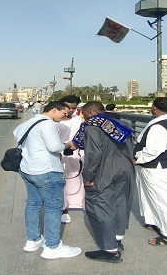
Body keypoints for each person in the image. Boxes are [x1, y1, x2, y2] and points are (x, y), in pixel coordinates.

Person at [14, 101, 82, 260]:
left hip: (27, 168)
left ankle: (33, 240)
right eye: (64, 113)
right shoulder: (47, 124)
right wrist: (68, 144)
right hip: (47, 170)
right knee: (54, 206)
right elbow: (54, 147)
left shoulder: (28, 122)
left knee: (33, 203)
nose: (66, 116)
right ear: (54, 110)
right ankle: (52, 246)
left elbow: (16, 134)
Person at [74, 101, 135, 263]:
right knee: (120, 203)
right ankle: (118, 239)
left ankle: (110, 250)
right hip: (125, 169)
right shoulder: (122, 124)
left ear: (87, 112)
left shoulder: (92, 126)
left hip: (104, 171)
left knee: (101, 207)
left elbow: (94, 154)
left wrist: (87, 176)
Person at [134, 97, 167, 246]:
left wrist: (137, 159)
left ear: (155, 108)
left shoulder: (159, 126)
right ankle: (157, 221)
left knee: (162, 198)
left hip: (158, 168)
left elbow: (153, 150)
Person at [57, 95, 84, 223]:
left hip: (75, 155)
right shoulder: (56, 120)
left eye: (74, 108)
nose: (71, 110)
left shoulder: (78, 120)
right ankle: (62, 208)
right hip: (57, 154)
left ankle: (74, 204)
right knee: (59, 181)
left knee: (75, 180)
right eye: (69, 107)